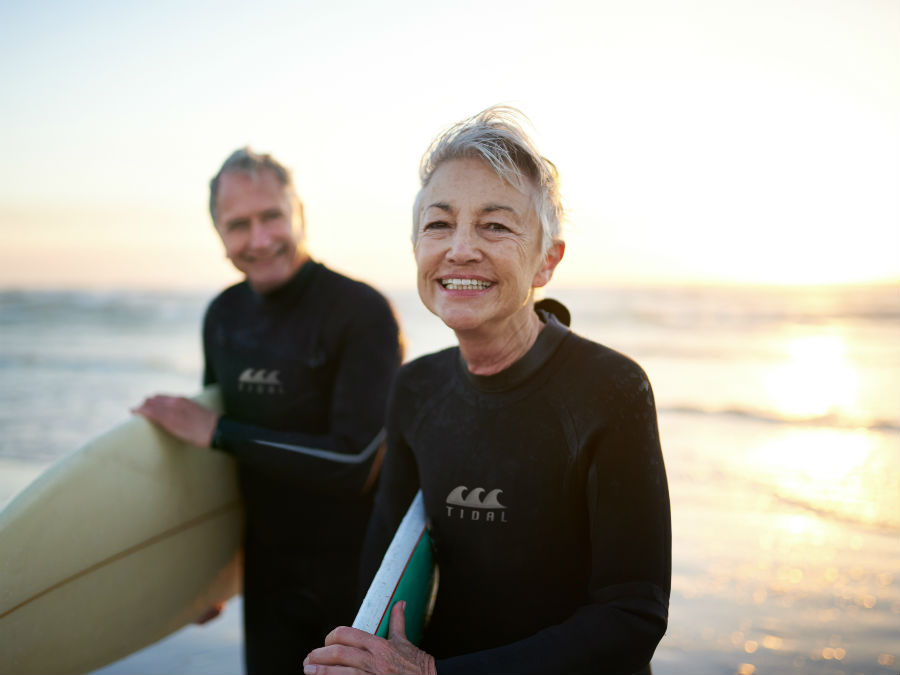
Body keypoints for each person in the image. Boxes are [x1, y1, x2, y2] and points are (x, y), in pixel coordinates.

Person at [303, 108, 671, 675]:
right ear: (417, 250)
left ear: (547, 261)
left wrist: (431, 674)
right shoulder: (416, 388)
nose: (461, 249)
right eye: (438, 225)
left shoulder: (611, 390)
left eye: (495, 225)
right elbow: (387, 572)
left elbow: (632, 615)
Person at [133, 148, 402, 674]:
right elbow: (221, 472)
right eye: (238, 226)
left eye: (271, 216)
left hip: (355, 587)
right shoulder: (224, 316)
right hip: (267, 585)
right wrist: (207, 576)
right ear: (218, 235)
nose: (259, 240)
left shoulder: (360, 311)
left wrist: (217, 430)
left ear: (298, 212)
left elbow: (355, 464)